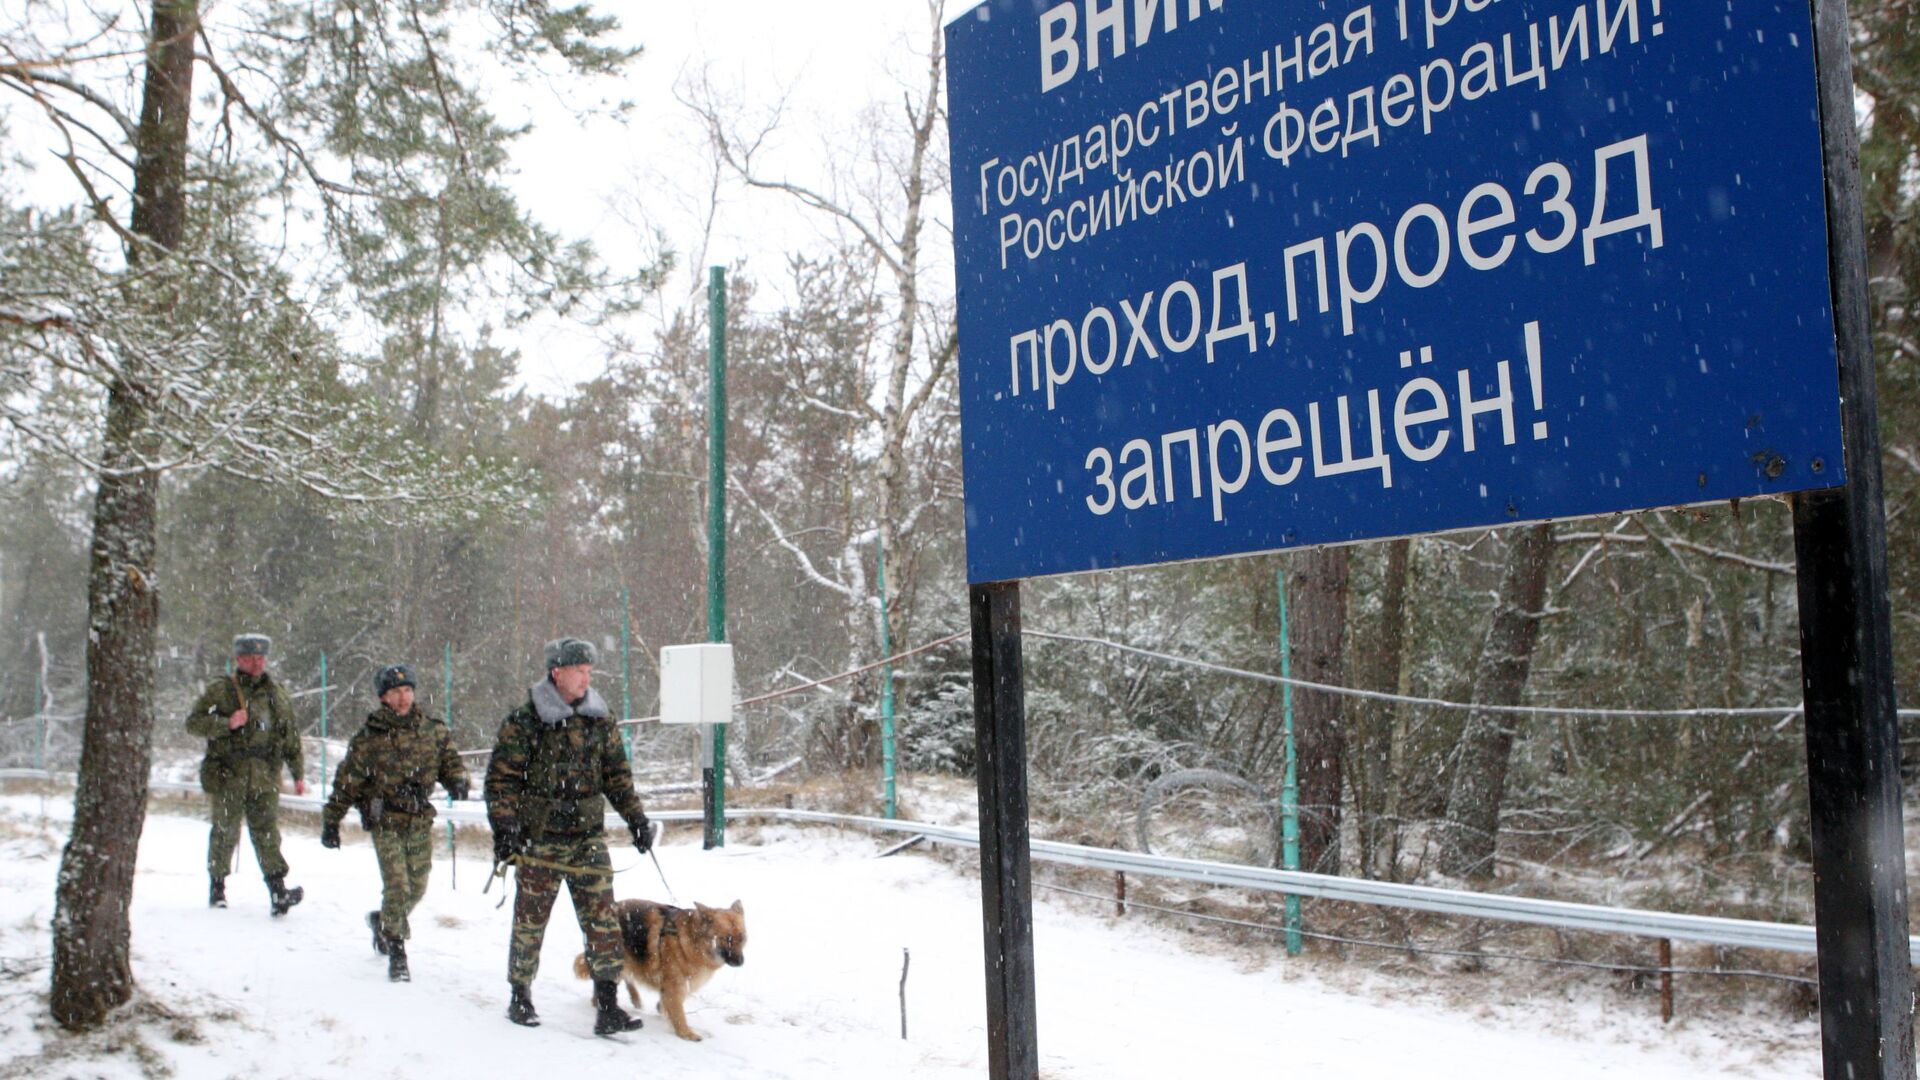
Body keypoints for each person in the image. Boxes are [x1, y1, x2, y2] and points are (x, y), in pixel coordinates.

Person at [485, 637, 653, 1036]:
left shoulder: (600, 719)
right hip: (539, 838)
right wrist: (506, 829)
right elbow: (501, 781)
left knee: (603, 922)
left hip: (587, 838)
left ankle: (608, 1005)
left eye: (590, 672)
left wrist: (637, 820)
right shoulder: (525, 721)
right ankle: (520, 994)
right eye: (580, 671)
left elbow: (617, 776)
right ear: (557, 673)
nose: (586, 678)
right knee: (530, 921)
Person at [319, 663, 470, 982]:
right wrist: (331, 820)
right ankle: (397, 951)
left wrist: (457, 780)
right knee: (397, 885)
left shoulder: (433, 729)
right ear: (383, 698)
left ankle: (383, 921)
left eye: (407, 691)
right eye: (394, 693)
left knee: (417, 885)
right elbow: (348, 782)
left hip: (418, 819)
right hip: (385, 819)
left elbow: (450, 761)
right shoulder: (368, 739)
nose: (402, 698)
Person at [185, 633, 306, 915]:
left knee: (267, 833)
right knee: (225, 831)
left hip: (265, 774)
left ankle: (278, 891)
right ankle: (217, 888)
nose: (256, 663)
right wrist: (225, 723)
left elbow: (290, 734)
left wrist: (297, 772)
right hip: (230, 772)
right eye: (250, 658)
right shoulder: (222, 690)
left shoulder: (276, 693)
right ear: (238, 659)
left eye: (261, 658)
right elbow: (193, 723)